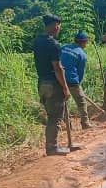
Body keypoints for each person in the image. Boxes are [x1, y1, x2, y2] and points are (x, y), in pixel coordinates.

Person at [33, 14, 71, 156]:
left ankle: (51, 145)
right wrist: (66, 88)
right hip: (53, 84)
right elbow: (58, 68)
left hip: (42, 83)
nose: (59, 29)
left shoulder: (37, 41)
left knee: (51, 116)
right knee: (55, 117)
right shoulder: (53, 44)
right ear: (55, 25)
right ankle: (52, 147)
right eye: (59, 26)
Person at [61, 31, 94, 129]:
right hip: (72, 80)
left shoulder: (64, 47)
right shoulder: (82, 54)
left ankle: (68, 125)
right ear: (84, 42)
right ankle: (85, 123)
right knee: (81, 101)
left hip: (59, 79)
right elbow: (80, 72)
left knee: (62, 102)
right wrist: (78, 84)